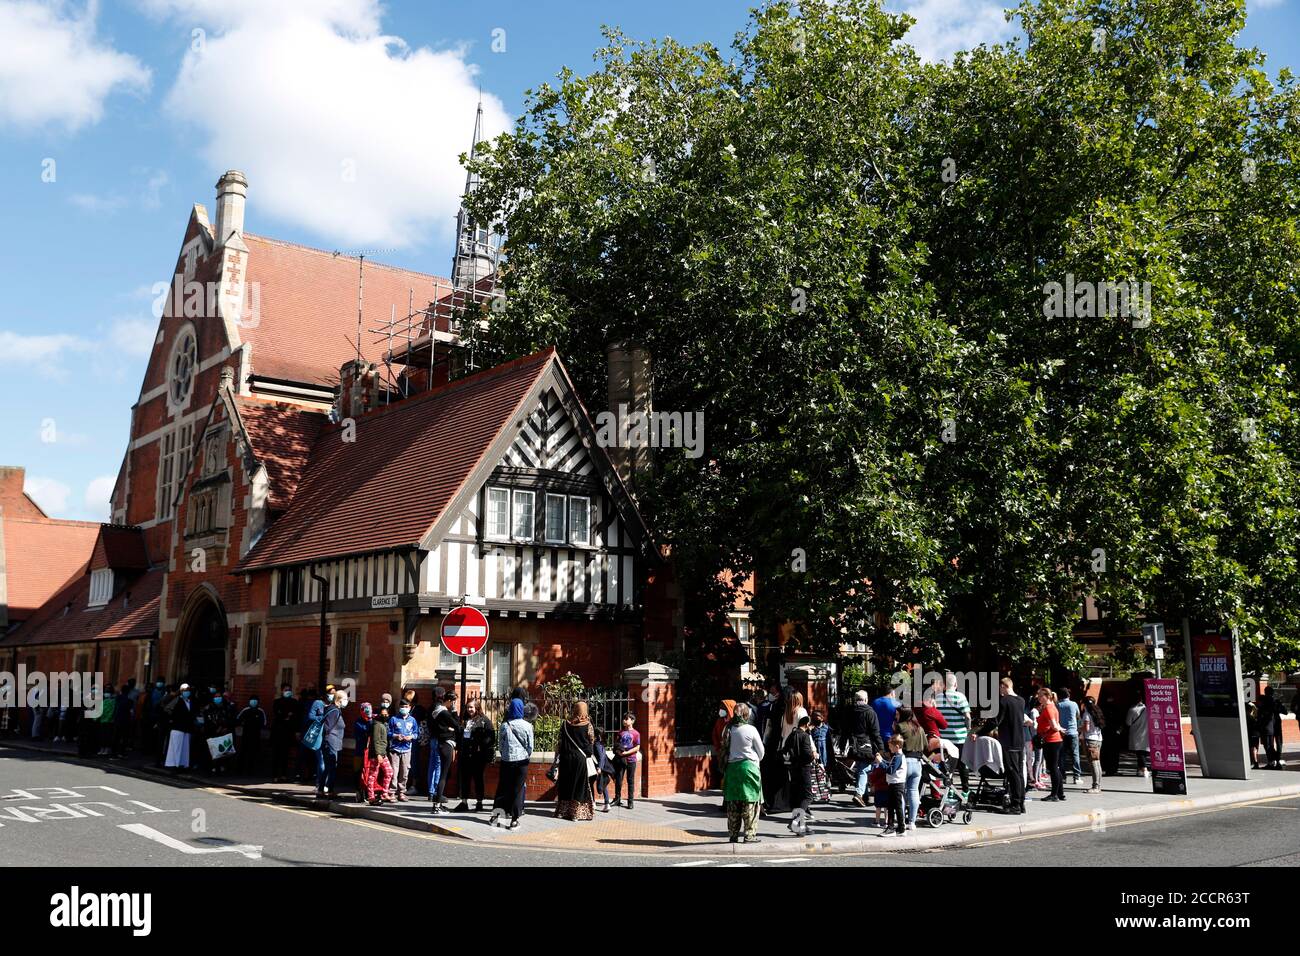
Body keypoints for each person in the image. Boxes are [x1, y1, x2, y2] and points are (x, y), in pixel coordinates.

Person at [721, 702, 765, 843]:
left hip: (732, 770)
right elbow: (761, 752)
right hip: (749, 769)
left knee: (733, 805)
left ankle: (733, 835)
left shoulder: (728, 729)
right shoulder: (751, 730)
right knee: (750, 803)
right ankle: (749, 835)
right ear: (747, 715)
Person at [491, 698, 533, 828]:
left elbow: (501, 745)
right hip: (522, 762)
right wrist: (526, 754)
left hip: (507, 761)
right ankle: (514, 820)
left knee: (502, 788)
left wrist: (506, 755)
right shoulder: (528, 726)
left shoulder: (505, 725)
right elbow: (530, 746)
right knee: (518, 789)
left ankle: (495, 817)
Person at [554, 701, 596, 821]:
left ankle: (562, 812)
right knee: (579, 786)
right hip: (580, 760)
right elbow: (591, 741)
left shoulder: (565, 724)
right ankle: (576, 814)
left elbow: (560, 742)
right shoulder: (588, 725)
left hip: (566, 759)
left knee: (566, 785)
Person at [845, 689, 886, 809]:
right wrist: (881, 748)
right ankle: (859, 793)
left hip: (853, 744)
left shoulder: (849, 711)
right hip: (866, 745)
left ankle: (865, 796)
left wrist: (843, 745)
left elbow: (845, 729)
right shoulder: (870, 712)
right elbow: (875, 732)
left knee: (861, 768)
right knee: (864, 768)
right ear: (866, 699)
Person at [453, 698, 494, 812]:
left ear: (477, 708)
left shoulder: (484, 721)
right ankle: (464, 802)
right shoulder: (464, 720)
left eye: (471, 707)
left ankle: (479, 802)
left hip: (478, 756)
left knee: (478, 779)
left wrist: (481, 746)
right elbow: (459, 734)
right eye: (468, 707)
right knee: (464, 779)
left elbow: (490, 737)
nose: (469, 709)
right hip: (465, 755)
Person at [995, 678, 1026, 813]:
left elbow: (996, 721)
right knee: (1019, 773)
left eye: (1000, 688)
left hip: (1009, 741)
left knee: (1012, 773)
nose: (999, 691)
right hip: (1020, 741)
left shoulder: (1004, 701)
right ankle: (1021, 803)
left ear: (1003, 686)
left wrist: (979, 733)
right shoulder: (1021, 701)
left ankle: (1016, 805)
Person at [782, 713, 817, 836]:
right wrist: (814, 756)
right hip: (804, 769)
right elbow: (807, 755)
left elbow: (784, 750)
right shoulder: (805, 736)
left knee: (798, 798)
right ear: (807, 724)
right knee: (808, 796)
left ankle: (800, 827)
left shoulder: (792, 735)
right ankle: (795, 821)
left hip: (793, 770)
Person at [427, 688, 461, 812]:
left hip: (441, 744)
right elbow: (457, 725)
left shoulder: (437, 711)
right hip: (446, 745)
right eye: (454, 702)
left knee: (444, 774)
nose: (454, 704)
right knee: (443, 775)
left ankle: (438, 802)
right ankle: (437, 805)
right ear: (450, 701)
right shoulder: (444, 713)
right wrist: (455, 711)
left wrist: (449, 728)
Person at [895, 707, 928, 829]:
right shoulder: (920, 728)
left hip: (904, 761)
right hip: (917, 763)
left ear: (903, 715)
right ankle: (912, 822)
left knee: (901, 793)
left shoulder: (900, 727)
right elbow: (925, 745)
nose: (896, 716)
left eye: (898, 714)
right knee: (914, 792)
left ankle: (901, 821)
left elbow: (895, 743)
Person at [361, 703, 394, 804]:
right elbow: (375, 740)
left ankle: (384, 793)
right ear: (378, 715)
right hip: (377, 754)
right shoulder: (376, 725)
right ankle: (371, 796)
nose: (385, 716)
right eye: (382, 714)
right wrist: (378, 754)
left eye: (386, 714)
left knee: (389, 772)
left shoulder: (382, 724)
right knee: (373, 774)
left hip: (382, 753)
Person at [317, 690, 347, 798]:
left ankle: (321, 790)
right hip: (331, 742)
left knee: (327, 767)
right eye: (345, 699)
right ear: (339, 700)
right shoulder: (334, 711)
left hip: (331, 742)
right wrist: (328, 739)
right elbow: (327, 727)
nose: (346, 701)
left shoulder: (333, 709)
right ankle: (329, 790)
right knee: (332, 767)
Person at [387, 698, 418, 802]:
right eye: (402, 707)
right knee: (394, 772)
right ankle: (391, 792)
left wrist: (411, 737)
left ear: (409, 708)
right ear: (399, 708)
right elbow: (388, 732)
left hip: (406, 749)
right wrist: (395, 736)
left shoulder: (412, 720)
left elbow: (416, 733)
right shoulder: (394, 719)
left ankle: (402, 792)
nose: (404, 709)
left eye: (406, 707)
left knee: (404, 772)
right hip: (395, 749)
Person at [877, 735, 907, 837]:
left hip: (896, 785)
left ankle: (891, 828)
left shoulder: (898, 757)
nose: (889, 748)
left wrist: (880, 762)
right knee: (895, 807)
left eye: (891, 746)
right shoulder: (898, 756)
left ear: (897, 746)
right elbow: (891, 765)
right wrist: (882, 760)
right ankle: (900, 828)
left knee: (892, 807)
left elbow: (890, 770)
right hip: (896, 784)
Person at [201, 689, 235, 775]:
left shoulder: (226, 707)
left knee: (223, 753)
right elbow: (206, 721)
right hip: (211, 733)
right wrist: (215, 728)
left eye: (219, 696)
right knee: (211, 752)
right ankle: (210, 769)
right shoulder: (208, 708)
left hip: (223, 733)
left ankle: (221, 768)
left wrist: (224, 727)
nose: (218, 698)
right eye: (216, 697)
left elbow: (230, 719)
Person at [271, 685, 299, 782]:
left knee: (285, 755)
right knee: (276, 755)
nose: (288, 692)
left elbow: (295, 716)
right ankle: (275, 775)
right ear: (282, 691)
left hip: (288, 732)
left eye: (289, 690)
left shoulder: (294, 702)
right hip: (278, 732)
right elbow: (277, 714)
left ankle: (284, 775)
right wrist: (286, 715)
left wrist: (287, 716)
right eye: (286, 690)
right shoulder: (277, 702)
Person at [163, 684, 195, 771]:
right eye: (185, 690)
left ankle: (183, 765)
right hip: (177, 727)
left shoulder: (189, 701)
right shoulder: (177, 699)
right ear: (181, 691)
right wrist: (173, 718)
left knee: (185, 748)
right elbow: (167, 708)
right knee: (176, 747)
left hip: (187, 727)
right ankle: (174, 765)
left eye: (188, 690)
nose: (187, 692)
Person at [613, 712, 640, 809]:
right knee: (618, 779)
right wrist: (619, 752)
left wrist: (626, 753)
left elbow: (637, 747)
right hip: (621, 760)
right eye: (624, 719)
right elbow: (616, 745)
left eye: (626, 719)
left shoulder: (636, 733)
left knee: (630, 780)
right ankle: (617, 798)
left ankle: (630, 801)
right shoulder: (620, 732)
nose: (624, 720)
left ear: (632, 721)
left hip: (631, 760)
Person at [235, 695, 267, 776]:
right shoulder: (245, 710)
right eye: (252, 700)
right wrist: (242, 723)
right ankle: (239, 770)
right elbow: (238, 719)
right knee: (243, 752)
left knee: (253, 753)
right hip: (246, 735)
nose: (253, 702)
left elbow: (264, 723)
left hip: (256, 735)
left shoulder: (260, 711)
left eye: (255, 700)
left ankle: (251, 770)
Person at [1081, 695, 1105, 792]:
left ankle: (1096, 787)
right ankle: (1098, 785)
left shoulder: (1087, 714)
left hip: (1091, 740)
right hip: (1098, 739)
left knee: (1093, 763)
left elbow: (1086, 728)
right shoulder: (1097, 712)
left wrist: (1078, 728)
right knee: (1097, 762)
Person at [1057, 687, 1081, 785]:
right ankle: (1077, 776)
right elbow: (1078, 715)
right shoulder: (1074, 704)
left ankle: (1063, 776)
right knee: (1075, 754)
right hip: (1073, 732)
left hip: (1062, 733)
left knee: (1062, 755)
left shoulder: (1058, 705)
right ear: (1068, 695)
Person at [1125, 695, 1149, 777]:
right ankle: (1139, 770)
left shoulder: (1132, 710)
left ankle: (1144, 769)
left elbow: (1128, 722)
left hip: (1136, 734)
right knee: (1144, 752)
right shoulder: (1147, 709)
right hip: (1146, 734)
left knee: (1139, 753)